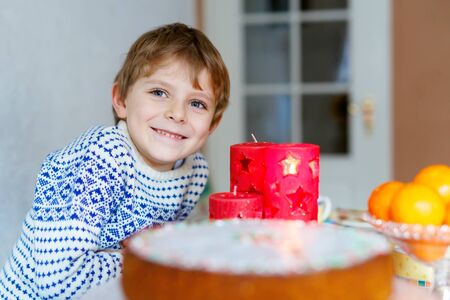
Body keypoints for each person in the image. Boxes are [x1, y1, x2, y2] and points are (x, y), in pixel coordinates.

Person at [0, 22, 229, 299]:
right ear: (121, 99)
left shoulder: (194, 173)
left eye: (197, 103)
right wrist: (156, 258)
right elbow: (58, 281)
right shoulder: (101, 157)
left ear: (213, 124)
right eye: (159, 93)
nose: (177, 113)